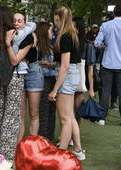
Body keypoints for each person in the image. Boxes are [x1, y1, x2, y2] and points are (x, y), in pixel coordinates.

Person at [0, 7, 32, 160]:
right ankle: (5, 158)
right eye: (13, 19)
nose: (15, 22)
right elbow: (14, 61)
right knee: (11, 117)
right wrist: (7, 42)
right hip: (13, 77)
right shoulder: (18, 36)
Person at [48, 6, 85, 160]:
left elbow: (64, 65)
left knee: (64, 118)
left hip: (67, 75)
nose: (54, 22)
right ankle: (78, 150)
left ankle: (61, 153)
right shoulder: (72, 34)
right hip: (72, 73)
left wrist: (55, 90)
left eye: (55, 19)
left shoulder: (65, 36)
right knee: (69, 116)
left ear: (60, 19)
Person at [94, 4, 121, 127]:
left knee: (106, 91)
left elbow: (97, 43)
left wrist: (106, 45)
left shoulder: (105, 25)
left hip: (107, 63)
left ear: (113, 13)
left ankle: (101, 119)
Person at [14, 13, 44, 142]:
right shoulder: (10, 36)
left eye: (19, 21)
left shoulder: (30, 34)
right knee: (20, 114)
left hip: (32, 72)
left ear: (25, 23)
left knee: (33, 113)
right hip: (17, 73)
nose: (16, 23)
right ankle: (18, 145)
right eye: (14, 21)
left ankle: (32, 146)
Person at [37, 22, 57, 141]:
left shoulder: (50, 46)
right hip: (43, 81)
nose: (52, 33)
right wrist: (50, 66)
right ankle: (42, 138)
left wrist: (50, 65)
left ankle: (49, 136)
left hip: (52, 80)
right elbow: (39, 66)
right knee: (44, 110)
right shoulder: (39, 48)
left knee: (51, 110)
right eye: (50, 31)